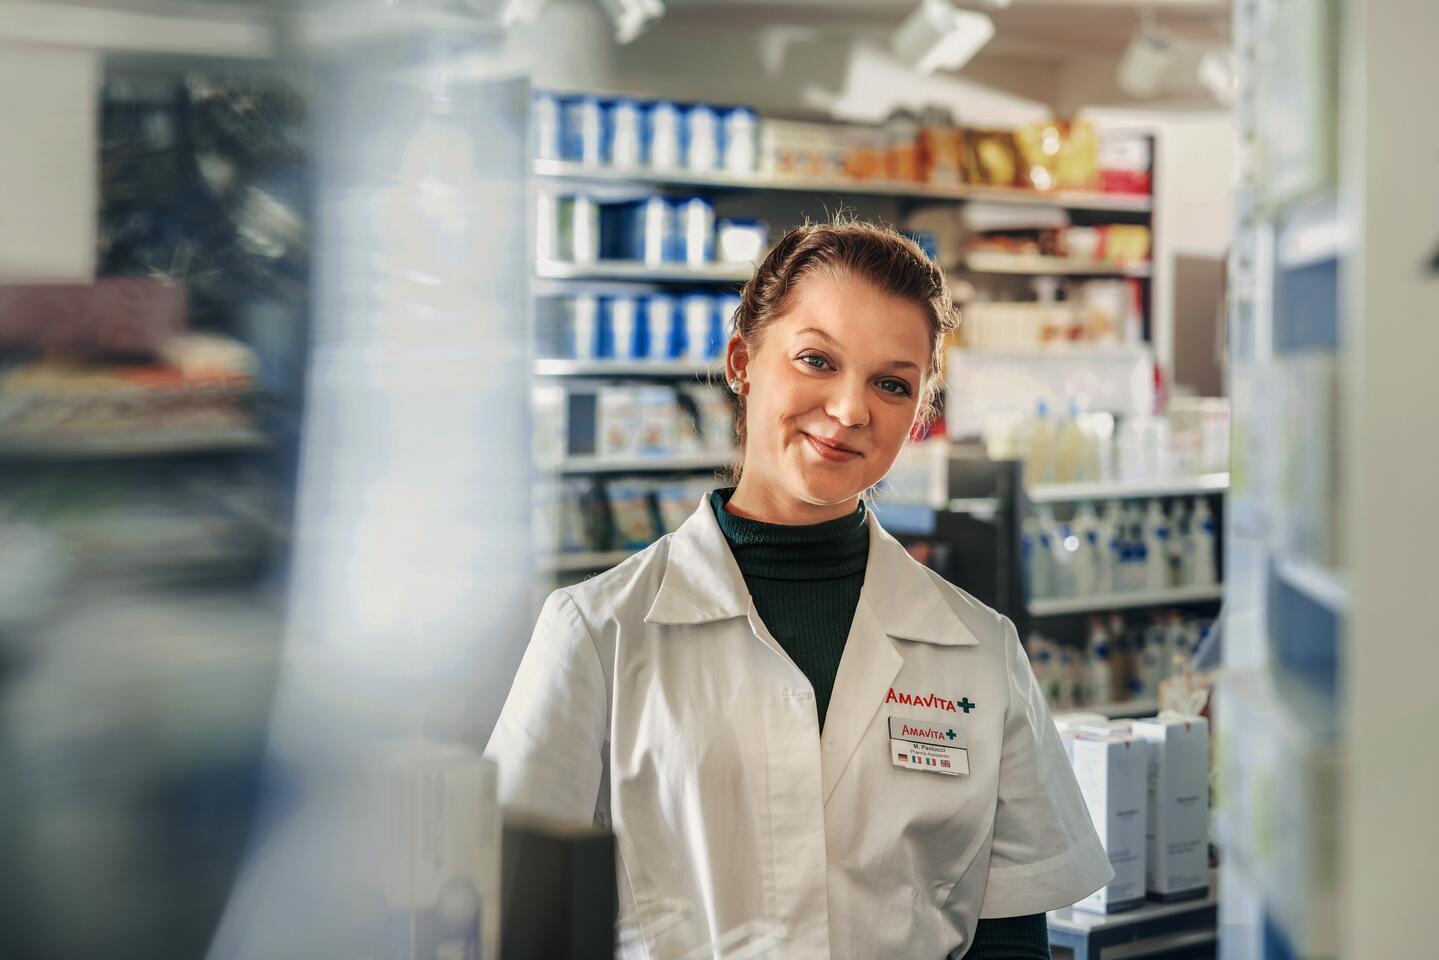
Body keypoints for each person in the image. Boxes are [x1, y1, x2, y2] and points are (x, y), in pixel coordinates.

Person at [486, 221, 1111, 959]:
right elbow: (511, 914)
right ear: (741, 362)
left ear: (918, 412)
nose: (850, 410)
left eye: (890, 383)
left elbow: (1008, 935)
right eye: (816, 360)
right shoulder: (596, 633)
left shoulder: (978, 650)